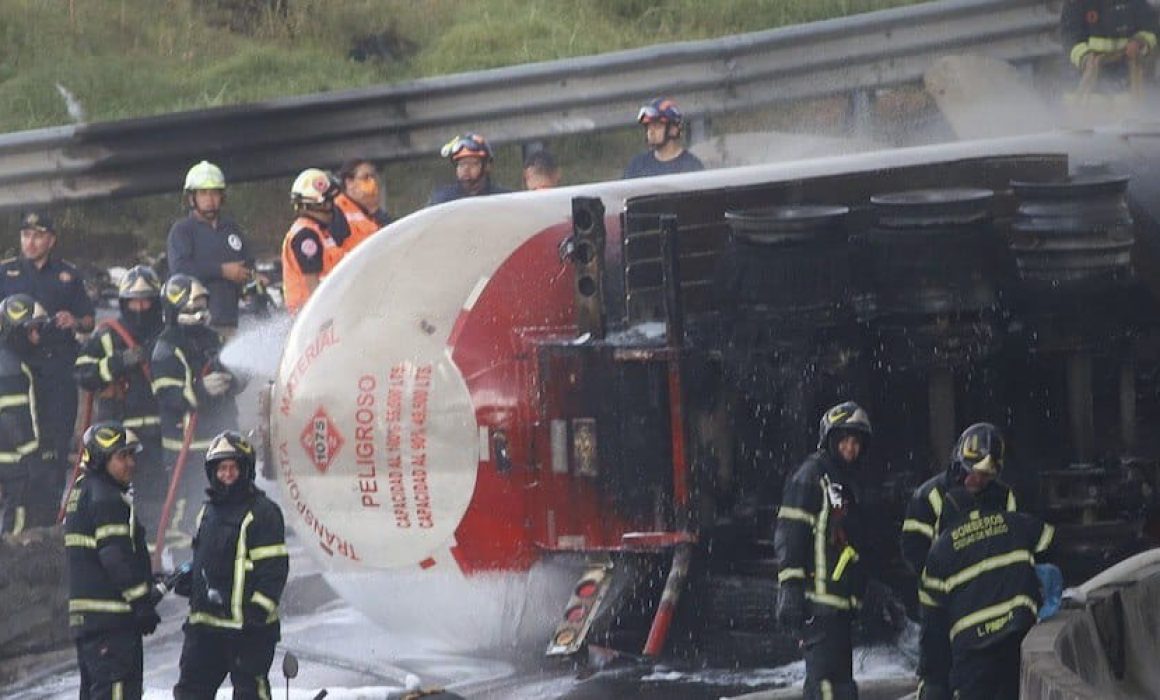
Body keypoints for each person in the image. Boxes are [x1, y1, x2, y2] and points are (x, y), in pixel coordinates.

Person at [900, 422, 1019, 698]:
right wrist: (946, 580)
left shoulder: (1003, 497)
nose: (976, 480)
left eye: (985, 475)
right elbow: (913, 551)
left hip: (991, 603)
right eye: (972, 471)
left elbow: (1014, 546)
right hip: (941, 605)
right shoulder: (929, 496)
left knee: (992, 679)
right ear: (958, 460)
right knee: (936, 677)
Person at [172, 431, 289, 700]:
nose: (227, 474)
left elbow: (274, 571)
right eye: (221, 468)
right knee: (191, 693)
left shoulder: (263, 513)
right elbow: (208, 560)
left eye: (233, 467)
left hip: (248, 630)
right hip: (205, 628)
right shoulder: (208, 511)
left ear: (245, 470)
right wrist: (192, 581)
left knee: (250, 694)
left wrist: (257, 613)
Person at [0, 210, 94, 528]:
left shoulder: (68, 276)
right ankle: (13, 522)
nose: (31, 241)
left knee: (53, 448)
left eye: (38, 235)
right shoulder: (6, 273)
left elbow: (89, 320)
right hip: (15, 373)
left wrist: (75, 321)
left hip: (56, 373)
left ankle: (49, 523)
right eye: (26, 235)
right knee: (17, 449)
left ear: (51, 240)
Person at [774, 401, 874, 700]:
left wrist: (859, 596)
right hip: (816, 605)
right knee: (825, 686)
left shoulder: (847, 484)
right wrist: (791, 587)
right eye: (844, 439)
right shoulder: (811, 475)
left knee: (841, 685)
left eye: (856, 441)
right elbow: (791, 531)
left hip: (841, 607)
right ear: (829, 439)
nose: (850, 448)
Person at [919, 486, 1054, 699]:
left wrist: (934, 681)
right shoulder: (1012, 521)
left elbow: (933, 627)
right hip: (1016, 636)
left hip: (973, 653)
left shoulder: (940, 551)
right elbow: (1050, 539)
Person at [63, 421, 161, 700]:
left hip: (91, 624)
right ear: (102, 459)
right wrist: (141, 602)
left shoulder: (82, 492)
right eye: (122, 456)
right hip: (112, 624)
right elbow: (114, 557)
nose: (130, 463)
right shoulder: (108, 499)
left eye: (132, 455)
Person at [151, 274, 245, 556]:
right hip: (186, 446)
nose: (200, 313)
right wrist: (200, 390)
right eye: (192, 308)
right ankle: (183, 564)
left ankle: (224, 558)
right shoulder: (166, 347)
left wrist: (234, 379)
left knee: (226, 503)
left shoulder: (214, 338)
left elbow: (239, 378)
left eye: (203, 306)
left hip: (219, 439)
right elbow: (168, 395)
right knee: (185, 507)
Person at [74, 265, 165, 535]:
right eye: (133, 301)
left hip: (158, 436)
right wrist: (117, 363)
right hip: (118, 436)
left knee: (156, 501)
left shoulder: (166, 334)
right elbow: (83, 373)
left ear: (156, 302)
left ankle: (156, 556)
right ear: (124, 302)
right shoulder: (109, 334)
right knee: (115, 499)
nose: (139, 307)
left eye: (145, 300)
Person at [166, 160, 254, 339]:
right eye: (203, 193)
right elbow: (180, 270)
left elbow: (248, 263)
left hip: (234, 321)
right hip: (198, 325)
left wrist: (251, 276)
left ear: (222, 196)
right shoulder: (183, 230)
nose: (210, 199)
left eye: (214, 193)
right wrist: (222, 271)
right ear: (192, 198)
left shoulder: (232, 228)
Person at [0, 295, 47, 534]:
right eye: (31, 331)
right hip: (14, 460)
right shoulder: (11, 369)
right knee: (16, 517)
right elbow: (10, 419)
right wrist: (31, 456)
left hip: (9, 457)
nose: (36, 337)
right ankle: (7, 566)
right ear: (15, 332)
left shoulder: (9, 361)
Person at [281, 168, 345, 315]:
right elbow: (313, 285)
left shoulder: (319, 231)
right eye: (328, 201)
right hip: (312, 315)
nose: (332, 207)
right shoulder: (306, 235)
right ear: (315, 204)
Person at [1062, 0, 1157, 88]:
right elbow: (1069, 36)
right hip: (1086, 79)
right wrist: (1084, 57)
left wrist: (1140, 41)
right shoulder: (1076, 3)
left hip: (1127, 76)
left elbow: (1151, 28)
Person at [622, 98, 705, 179]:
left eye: (657, 126)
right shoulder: (637, 166)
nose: (651, 132)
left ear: (673, 129)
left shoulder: (691, 166)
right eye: (648, 127)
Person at [427, 133, 512, 205]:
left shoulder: (504, 199)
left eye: (473, 163)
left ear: (487, 166)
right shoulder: (443, 200)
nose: (466, 169)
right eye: (461, 164)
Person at [331, 158, 392, 254]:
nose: (372, 183)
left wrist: (375, 211)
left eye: (373, 177)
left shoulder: (371, 213)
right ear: (349, 183)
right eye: (366, 178)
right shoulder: (336, 212)